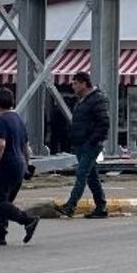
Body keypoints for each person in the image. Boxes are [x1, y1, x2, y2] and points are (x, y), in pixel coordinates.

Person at [0, 87, 39, 246]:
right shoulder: (18, 120)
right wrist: (26, 165)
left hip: (4, 167)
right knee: (3, 203)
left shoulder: (1, 121)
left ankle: (28, 220)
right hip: (18, 166)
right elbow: (26, 147)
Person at [53, 72, 109, 219]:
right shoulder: (82, 100)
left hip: (90, 144)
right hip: (81, 143)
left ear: (84, 84)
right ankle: (101, 206)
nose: (73, 86)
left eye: (76, 83)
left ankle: (70, 206)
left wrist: (92, 140)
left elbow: (104, 123)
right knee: (91, 176)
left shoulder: (97, 99)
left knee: (81, 174)